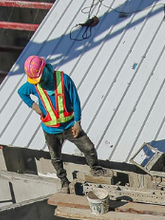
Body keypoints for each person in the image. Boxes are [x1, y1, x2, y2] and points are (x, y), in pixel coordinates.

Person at [18, 55, 109, 194]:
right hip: (50, 130)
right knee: (55, 158)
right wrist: (33, 105)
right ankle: (64, 181)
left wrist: (77, 121)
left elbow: (75, 100)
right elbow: (21, 92)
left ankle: (96, 169)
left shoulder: (63, 80)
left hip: (69, 126)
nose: (40, 81)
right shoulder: (34, 85)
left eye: (40, 78)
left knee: (89, 148)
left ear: (45, 69)